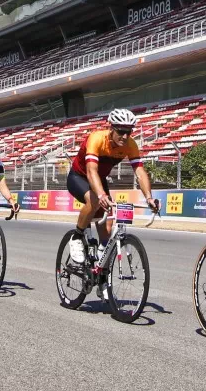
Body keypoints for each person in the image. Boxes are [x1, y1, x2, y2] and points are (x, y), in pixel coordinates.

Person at [66, 109, 159, 299]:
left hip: (99, 180)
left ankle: (101, 278)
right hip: (79, 177)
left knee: (107, 229)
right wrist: (100, 194)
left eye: (129, 132)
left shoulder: (130, 145)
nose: (125, 136)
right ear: (111, 128)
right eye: (121, 131)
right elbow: (91, 170)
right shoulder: (96, 139)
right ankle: (76, 236)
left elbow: (140, 172)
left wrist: (149, 197)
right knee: (93, 200)